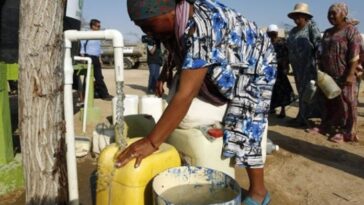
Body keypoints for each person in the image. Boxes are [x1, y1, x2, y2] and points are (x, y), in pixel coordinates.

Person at [116, 1, 277, 204]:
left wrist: (151, 142)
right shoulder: (177, 21)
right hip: (226, 57)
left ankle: (259, 192)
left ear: (171, 12)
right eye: (140, 26)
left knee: (244, 120)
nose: (146, 31)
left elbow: (186, 93)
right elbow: (179, 48)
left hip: (255, 63)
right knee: (186, 105)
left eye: (148, 25)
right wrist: (165, 72)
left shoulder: (202, 26)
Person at [317, 3, 362, 143]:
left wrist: (350, 74)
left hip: (345, 74)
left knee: (348, 103)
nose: (331, 16)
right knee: (330, 102)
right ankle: (329, 126)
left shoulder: (351, 31)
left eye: (334, 13)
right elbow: (322, 51)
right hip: (329, 75)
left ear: (343, 14)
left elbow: (355, 55)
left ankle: (348, 132)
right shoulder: (328, 32)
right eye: (329, 13)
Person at [286, 3, 322, 127]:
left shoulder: (312, 27)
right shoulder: (292, 31)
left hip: (309, 67)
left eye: (299, 15)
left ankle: (304, 118)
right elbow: (288, 48)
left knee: (309, 93)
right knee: (301, 93)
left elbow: (318, 46)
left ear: (306, 17)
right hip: (297, 68)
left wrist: (320, 65)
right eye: (295, 15)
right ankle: (301, 115)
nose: (296, 18)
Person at [267, 24, 295, 118]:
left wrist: (286, 67)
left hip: (280, 69)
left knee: (282, 90)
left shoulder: (283, 42)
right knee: (271, 90)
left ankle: (283, 110)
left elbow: (287, 55)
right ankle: (272, 108)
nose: (272, 35)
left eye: (273, 33)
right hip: (270, 70)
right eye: (270, 33)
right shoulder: (267, 42)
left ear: (276, 33)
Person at [80, 19, 113, 101]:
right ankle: (83, 97)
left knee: (99, 77)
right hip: (89, 57)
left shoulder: (98, 35)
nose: (99, 27)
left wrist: (100, 59)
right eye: (98, 26)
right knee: (88, 77)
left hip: (96, 58)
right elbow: (82, 46)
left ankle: (105, 95)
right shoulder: (87, 34)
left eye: (100, 26)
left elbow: (98, 49)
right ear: (93, 26)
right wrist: (83, 57)